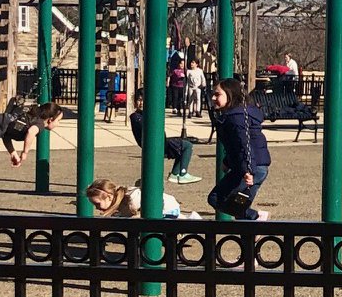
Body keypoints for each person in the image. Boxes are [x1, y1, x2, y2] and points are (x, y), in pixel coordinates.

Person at [208, 77, 270, 220]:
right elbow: (235, 145)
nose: (213, 98)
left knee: (217, 198)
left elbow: (244, 144)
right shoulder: (235, 115)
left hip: (251, 168)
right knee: (239, 208)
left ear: (230, 95)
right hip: (256, 167)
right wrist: (228, 162)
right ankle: (249, 237)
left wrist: (248, 170)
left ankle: (257, 216)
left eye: (217, 94)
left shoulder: (237, 117)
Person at [127, 102, 200, 184]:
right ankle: (181, 173)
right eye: (139, 100)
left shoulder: (143, 115)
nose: (141, 103)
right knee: (187, 145)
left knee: (185, 145)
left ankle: (175, 173)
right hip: (156, 143)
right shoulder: (137, 117)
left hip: (157, 142)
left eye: (143, 100)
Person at [84, 178, 195, 219]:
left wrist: (138, 216)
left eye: (97, 203)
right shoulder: (120, 202)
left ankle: (189, 219)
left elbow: (157, 203)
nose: (96, 207)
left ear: (108, 197)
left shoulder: (132, 198)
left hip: (167, 208)